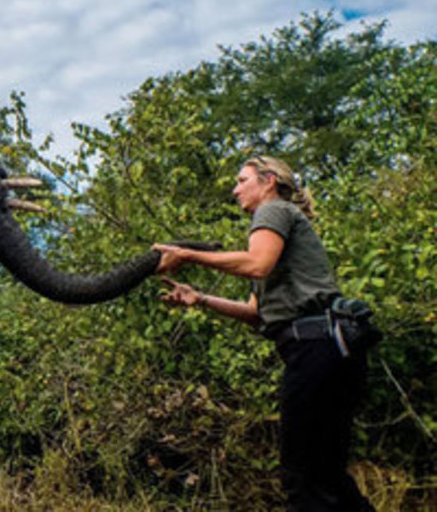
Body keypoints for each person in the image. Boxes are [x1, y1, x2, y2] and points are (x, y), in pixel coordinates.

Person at [153, 155, 373, 511]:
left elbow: (258, 262)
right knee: (326, 476)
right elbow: (257, 314)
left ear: (268, 181)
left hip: (316, 349)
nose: (234, 188)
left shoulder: (272, 212)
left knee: (303, 479)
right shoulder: (278, 227)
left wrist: (186, 254)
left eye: (242, 180)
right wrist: (201, 298)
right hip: (330, 348)